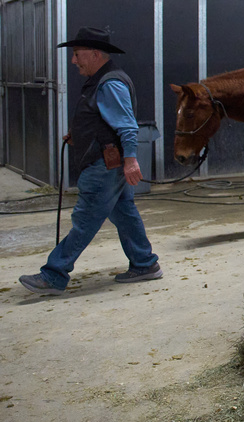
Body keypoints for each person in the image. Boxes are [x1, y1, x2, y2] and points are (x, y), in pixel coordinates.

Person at [19, 27, 162, 295]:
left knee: (84, 220)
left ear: (95, 54)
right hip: (107, 162)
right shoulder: (104, 80)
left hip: (103, 166)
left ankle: (53, 275)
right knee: (124, 212)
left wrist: (131, 160)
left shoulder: (110, 83)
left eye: (77, 54)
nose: (73, 61)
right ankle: (145, 264)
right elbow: (104, 120)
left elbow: (128, 127)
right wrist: (81, 135)